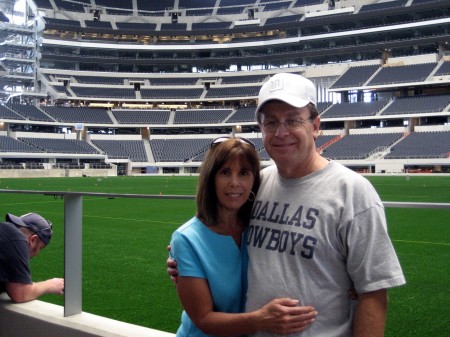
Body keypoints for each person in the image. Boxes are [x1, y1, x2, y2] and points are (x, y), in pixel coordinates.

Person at [169, 73, 406, 337]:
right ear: (261, 129)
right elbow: (218, 232)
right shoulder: (258, 184)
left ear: (316, 125)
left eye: (293, 120)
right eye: (271, 122)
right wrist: (185, 256)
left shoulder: (352, 191)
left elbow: (373, 291)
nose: (281, 133)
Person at [169, 136, 317, 337]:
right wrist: (261, 319)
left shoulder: (260, 227)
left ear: (254, 180)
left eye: (244, 173)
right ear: (211, 178)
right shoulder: (187, 239)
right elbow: (203, 319)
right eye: (225, 172)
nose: (235, 183)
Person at [0, 212, 65, 303]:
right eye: (40, 248)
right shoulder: (17, 238)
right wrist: (51, 284)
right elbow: (21, 294)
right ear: (33, 240)